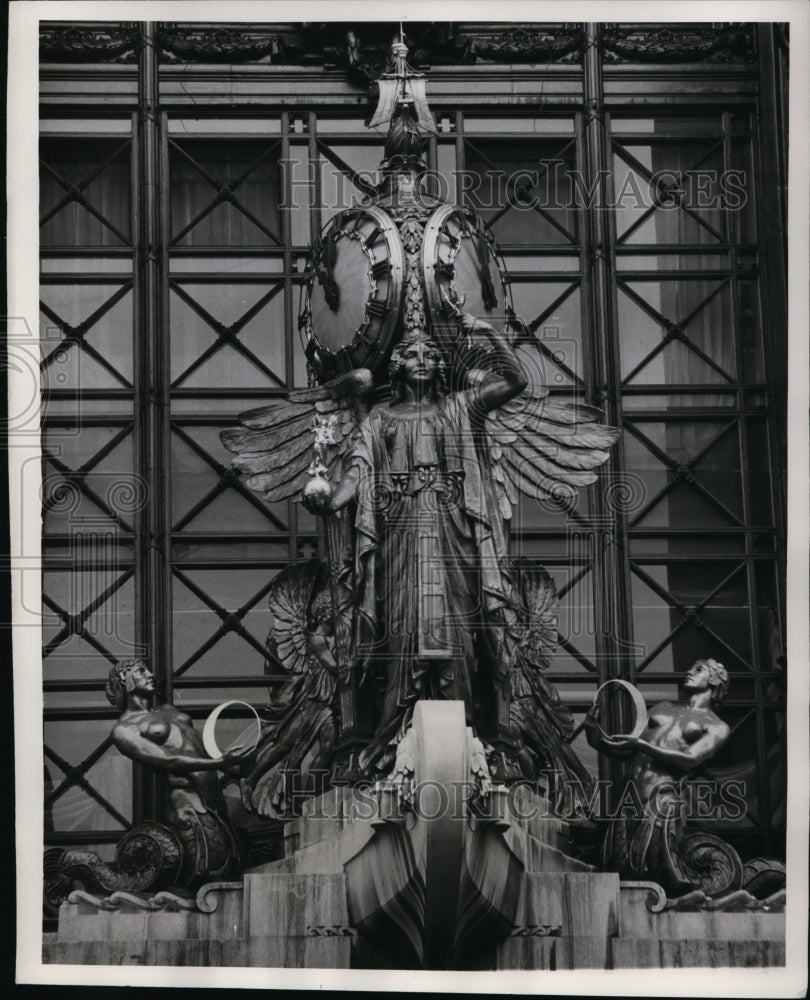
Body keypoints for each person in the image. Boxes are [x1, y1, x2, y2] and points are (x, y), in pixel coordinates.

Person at [303, 319, 528, 772]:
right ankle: (395, 742)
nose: (421, 360)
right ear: (399, 367)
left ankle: (462, 747)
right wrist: (328, 498)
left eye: (429, 355)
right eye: (411, 355)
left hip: (453, 536)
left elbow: (516, 381)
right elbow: (356, 474)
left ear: (440, 365)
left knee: (459, 638)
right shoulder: (379, 418)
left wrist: (487, 333)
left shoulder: (463, 406)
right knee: (403, 634)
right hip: (401, 535)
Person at [584, 658, 730, 896]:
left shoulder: (717, 726)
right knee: (616, 867)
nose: (689, 671)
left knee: (653, 870)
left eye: (699, 669)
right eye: (690, 666)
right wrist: (595, 737)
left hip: (661, 800)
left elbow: (690, 759)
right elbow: (626, 750)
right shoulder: (662, 707)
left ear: (715, 680)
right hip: (629, 797)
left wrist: (642, 745)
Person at [106, 658, 253, 887]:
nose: (151, 674)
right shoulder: (124, 730)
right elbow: (167, 760)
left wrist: (237, 768)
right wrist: (220, 762)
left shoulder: (167, 709)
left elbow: (199, 749)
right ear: (125, 680)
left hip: (213, 798)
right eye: (141, 671)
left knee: (228, 870)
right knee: (210, 874)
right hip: (188, 804)